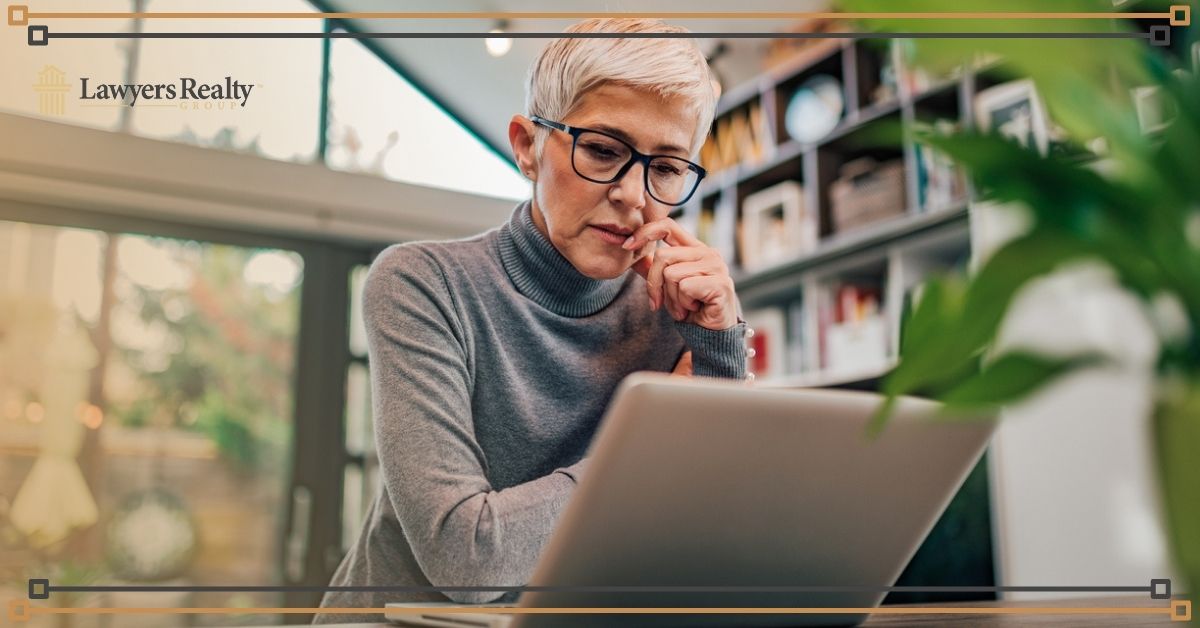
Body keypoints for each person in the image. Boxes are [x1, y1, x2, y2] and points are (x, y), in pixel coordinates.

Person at [314, 17, 750, 624]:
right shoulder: (423, 283)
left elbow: (710, 540)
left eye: (667, 168)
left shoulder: (679, 312)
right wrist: (646, 455)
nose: (634, 195)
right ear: (527, 146)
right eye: (603, 150)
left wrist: (723, 349)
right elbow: (467, 560)